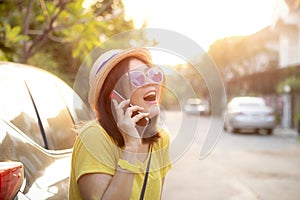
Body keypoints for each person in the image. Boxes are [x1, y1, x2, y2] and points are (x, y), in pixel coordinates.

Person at [69, 47, 172, 200]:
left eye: (153, 74)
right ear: (115, 96)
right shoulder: (94, 137)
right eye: (137, 78)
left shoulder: (161, 138)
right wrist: (131, 146)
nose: (150, 82)